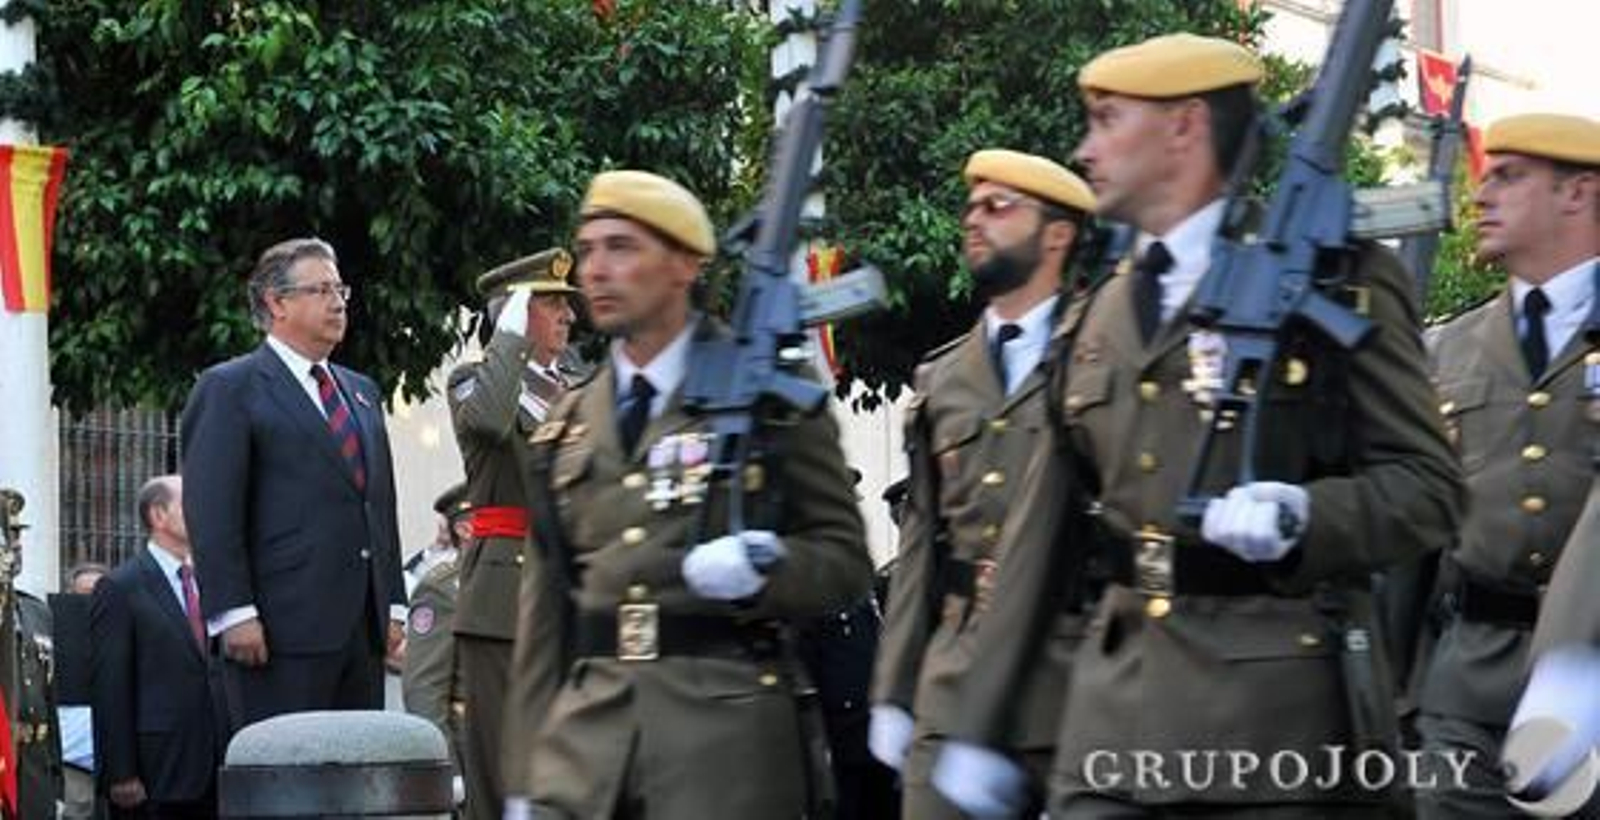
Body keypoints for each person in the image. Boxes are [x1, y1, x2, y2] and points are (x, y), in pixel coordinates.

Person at [935, 34, 1464, 817]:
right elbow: (1038, 537)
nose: (1085, 148)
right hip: (1111, 726)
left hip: (1272, 730)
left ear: (1184, 127)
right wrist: (979, 722)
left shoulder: (1336, 282)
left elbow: (1429, 490)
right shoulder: (1098, 314)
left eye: (1109, 120)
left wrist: (1305, 516)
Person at [508, 169, 872, 818]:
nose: (596, 269)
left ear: (684, 264)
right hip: (588, 749)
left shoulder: (766, 398)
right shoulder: (566, 424)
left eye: (622, 247)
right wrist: (522, 778)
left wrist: (767, 567)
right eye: (589, 250)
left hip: (726, 745)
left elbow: (844, 562)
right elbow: (545, 619)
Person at [868, 148, 1096, 819]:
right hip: (956, 682)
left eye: (999, 207)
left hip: (1077, 679)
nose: (974, 220)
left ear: (1057, 234)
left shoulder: (1102, 353)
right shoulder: (945, 378)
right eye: (971, 206)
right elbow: (920, 548)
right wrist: (894, 688)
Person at [1415, 112, 1600, 818]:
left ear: (1577, 194)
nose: (1482, 195)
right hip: (1466, 693)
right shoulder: (1448, 351)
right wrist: (1406, 693)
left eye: (1509, 176)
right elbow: (1419, 531)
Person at [180, 237, 407, 730]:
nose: (338, 301)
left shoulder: (361, 392)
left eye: (340, 288)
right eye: (320, 289)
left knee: (354, 785)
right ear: (276, 303)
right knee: (287, 780)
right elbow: (213, 510)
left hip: (360, 632)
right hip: (278, 633)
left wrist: (393, 602)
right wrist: (233, 612)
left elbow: (378, 507)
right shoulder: (231, 388)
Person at [445, 248, 578, 820]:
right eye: (550, 305)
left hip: (577, 590)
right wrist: (509, 338)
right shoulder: (475, 381)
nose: (569, 317)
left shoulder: (581, 385)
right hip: (507, 596)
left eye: (567, 306)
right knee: (503, 766)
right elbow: (490, 422)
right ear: (516, 315)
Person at [90, 475, 224, 819]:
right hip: (158, 769)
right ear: (158, 515)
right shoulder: (121, 587)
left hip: (219, 765)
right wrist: (121, 771)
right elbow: (111, 684)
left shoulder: (214, 580)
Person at [54, 561, 107, 820]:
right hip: (73, 767)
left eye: (100, 594)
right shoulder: (57, 634)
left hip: (118, 768)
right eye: (84, 596)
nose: (92, 602)